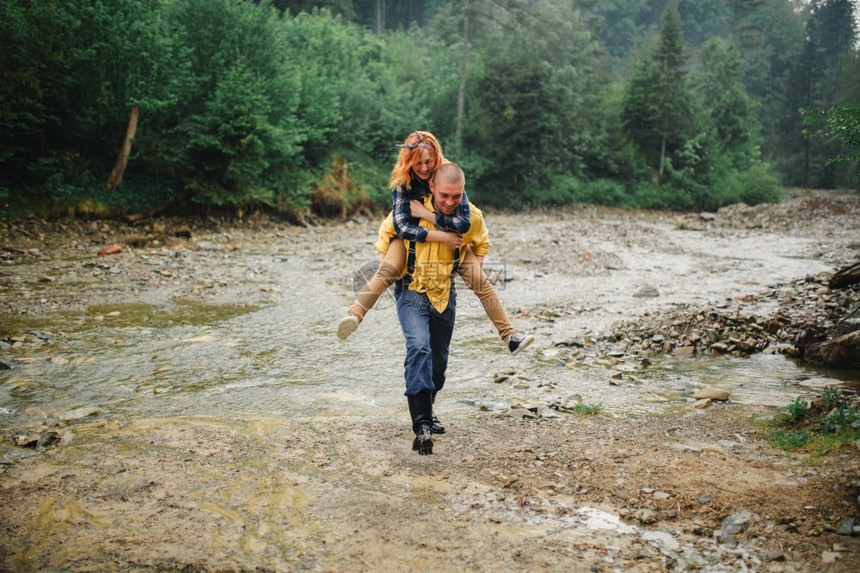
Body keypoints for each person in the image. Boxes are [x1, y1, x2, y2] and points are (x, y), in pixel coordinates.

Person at [336, 131, 533, 358]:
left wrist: (428, 216)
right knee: (387, 270)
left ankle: (510, 337)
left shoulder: (448, 176)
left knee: (481, 281)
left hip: (451, 241)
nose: (424, 167)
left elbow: (466, 224)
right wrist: (433, 236)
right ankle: (354, 315)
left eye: (428, 161)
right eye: (418, 162)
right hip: (409, 239)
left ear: (436, 159)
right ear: (409, 162)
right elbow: (398, 227)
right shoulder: (403, 183)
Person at [377, 162, 488, 454]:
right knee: (419, 348)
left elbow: (481, 241)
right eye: (444, 196)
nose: (450, 202)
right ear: (432, 188)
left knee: (438, 364)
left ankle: (429, 409)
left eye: (456, 196)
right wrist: (384, 260)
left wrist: (477, 267)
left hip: (445, 293)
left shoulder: (471, 215)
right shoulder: (409, 209)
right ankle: (422, 426)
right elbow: (386, 234)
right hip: (411, 289)